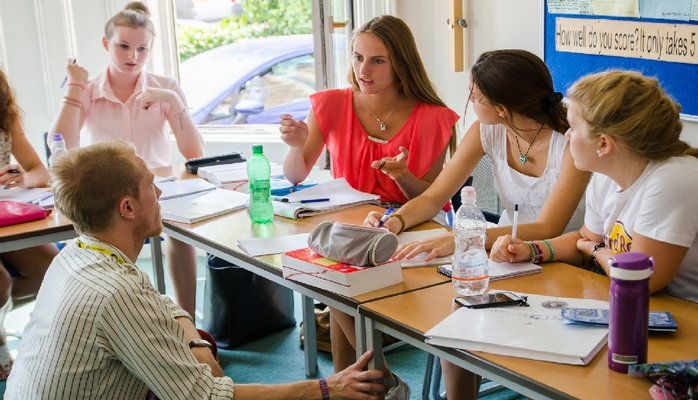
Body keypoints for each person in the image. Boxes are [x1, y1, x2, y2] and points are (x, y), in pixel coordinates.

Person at [5, 140, 392, 399]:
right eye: (150, 187)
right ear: (127, 208)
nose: (158, 195)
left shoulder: (79, 254)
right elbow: (208, 398)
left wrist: (194, 342)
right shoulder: (112, 293)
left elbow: (158, 305)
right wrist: (326, 388)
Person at [365, 49, 590, 400]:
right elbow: (433, 195)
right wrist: (394, 220)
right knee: (453, 312)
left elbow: (550, 226)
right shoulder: (488, 129)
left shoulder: (573, 142)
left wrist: (464, 238)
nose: (469, 100)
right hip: (504, 254)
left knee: (463, 307)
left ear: (501, 107)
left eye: (475, 95)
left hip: (566, 262)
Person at [280, 15, 460, 399]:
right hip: (350, 221)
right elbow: (295, 176)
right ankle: (371, 381)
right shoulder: (330, 104)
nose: (363, 69)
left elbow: (430, 197)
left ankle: (372, 382)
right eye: (358, 57)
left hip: (415, 223)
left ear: (401, 63)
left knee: (341, 284)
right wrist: (297, 145)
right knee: (338, 280)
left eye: (377, 60)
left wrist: (402, 176)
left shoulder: (433, 117)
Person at [48, 1, 204, 317]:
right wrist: (76, 87)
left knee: (181, 231)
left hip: (156, 190)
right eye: (123, 46)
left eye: (142, 49)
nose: (133, 56)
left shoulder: (165, 88)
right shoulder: (88, 89)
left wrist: (173, 101)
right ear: (106, 44)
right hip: (105, 193)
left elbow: (194, 154)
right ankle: (126, 318)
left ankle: (188, 323)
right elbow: (61, 145)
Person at [491, 70, 698, 303]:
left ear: (603, 143)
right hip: (640, 306)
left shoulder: (672, 181)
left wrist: (596, 251)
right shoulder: (606, 175)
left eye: (573, 127)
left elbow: (638, 279)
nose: (567, 135)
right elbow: (583, 239)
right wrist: (531, 250)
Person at [0, 68, 60, 380]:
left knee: (53, 268)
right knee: (0, 283)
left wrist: (24, 178)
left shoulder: (6, 114)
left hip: (5, 216)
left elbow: (41, 170)